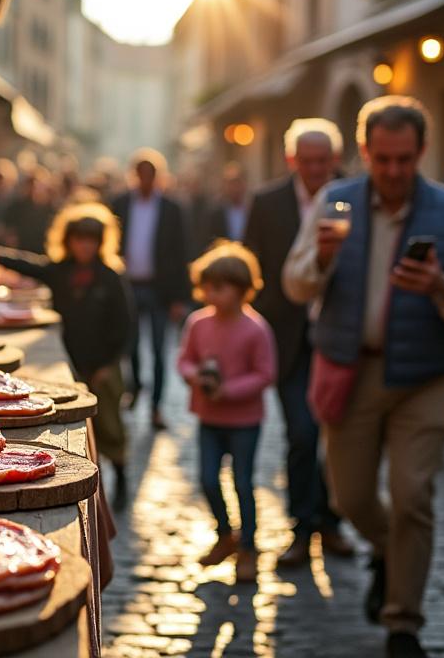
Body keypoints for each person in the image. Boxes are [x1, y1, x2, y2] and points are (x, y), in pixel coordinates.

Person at [283, 96, 444, 658]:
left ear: (421, 151)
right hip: (351, 371)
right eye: (383, 159)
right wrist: (321, 261)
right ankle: (387, 552)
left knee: (412, 497)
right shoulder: (337, 201)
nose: (395, 171)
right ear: (365, 153)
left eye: (405, 159)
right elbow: (294, 285)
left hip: (425, 376)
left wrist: (443, 288)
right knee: (348, 497)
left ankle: (404, 623)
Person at [0, 203, 133, 506]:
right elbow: (27, 265)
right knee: (82, 428)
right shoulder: (61, 271)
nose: (84, 245)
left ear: (100, 243)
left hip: (104, 365)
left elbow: (125, 325)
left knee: (110, 424)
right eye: (79, 239)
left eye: (91, 240)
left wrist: (111, 363)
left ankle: (122, 474)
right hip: (72, 361)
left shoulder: (110, 277)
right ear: (68, 240)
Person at [246, 118, 354, 568]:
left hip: (340, 333)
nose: (315, 169)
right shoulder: (267, 202)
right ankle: (302, 525)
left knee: (337, 434)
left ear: (334, 160)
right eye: (307, 161)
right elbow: (253, 268)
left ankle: (330, 521)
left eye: (322, 161)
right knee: (301, 433)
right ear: (292, 160)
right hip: (287, 336)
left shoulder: (353, 197)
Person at [177, 241, 276, 583]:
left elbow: (265, 374)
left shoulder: (255, 329)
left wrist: (228, 390)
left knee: (243, 482)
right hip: (209, 418)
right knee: (206, 478)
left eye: (219, 288)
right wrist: (196, 377)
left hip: (244, 421)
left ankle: (248, 546)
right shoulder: (198, 323)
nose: (211, 294)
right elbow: (185, 359)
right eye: (207, 286)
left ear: (242, 290)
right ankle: (225, 534)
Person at [112, 148, 191, 430]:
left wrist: (181, 297)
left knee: (159, 349)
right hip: (128, 286)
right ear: (134, 175)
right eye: (141, 174)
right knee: (129, 345)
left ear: (158, 176)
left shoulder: (171, 208)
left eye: (150, 174)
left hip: (160, 290)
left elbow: (182, 253)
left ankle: (156, 406)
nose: (145, 179)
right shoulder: (120, 203)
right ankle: (134, 386)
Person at [206, 162, 251, 248]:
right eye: (230, 183)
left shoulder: (252, 209)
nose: (234, 187)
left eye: (237, 182)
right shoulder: (214, 212)